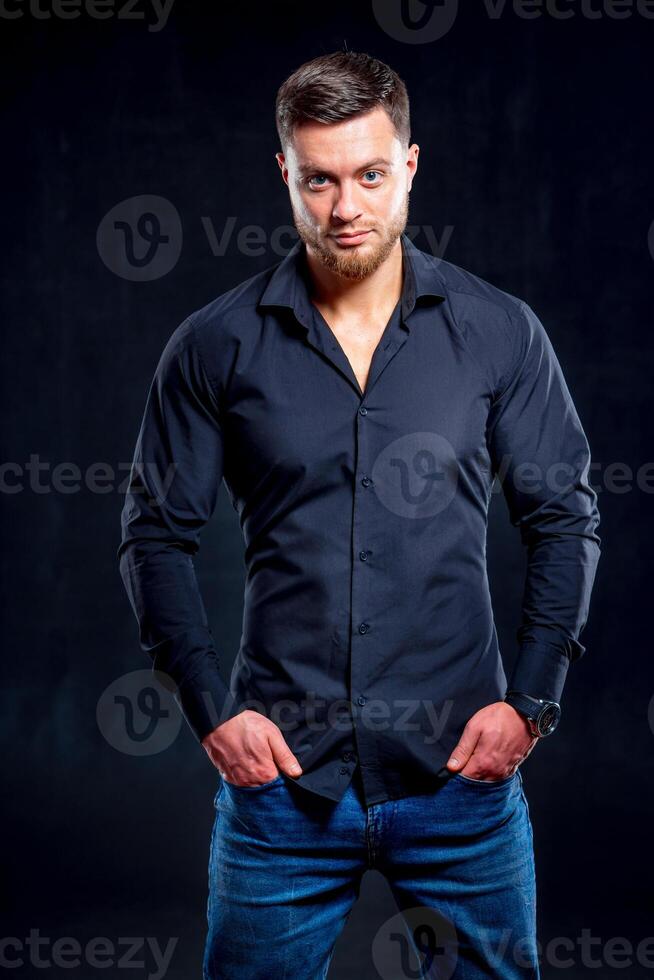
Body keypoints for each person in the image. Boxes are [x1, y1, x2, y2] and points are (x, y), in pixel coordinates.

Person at [117, 50, 601, 980]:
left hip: (463, 781)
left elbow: (564, 520)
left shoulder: (500, 332)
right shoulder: (216, 344)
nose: (346, 208)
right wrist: (212, 710)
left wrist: (531, 705)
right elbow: (156, 537)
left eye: (371, 175)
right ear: (285, 176)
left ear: (410, 165)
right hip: (283, 793)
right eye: (320, 180)